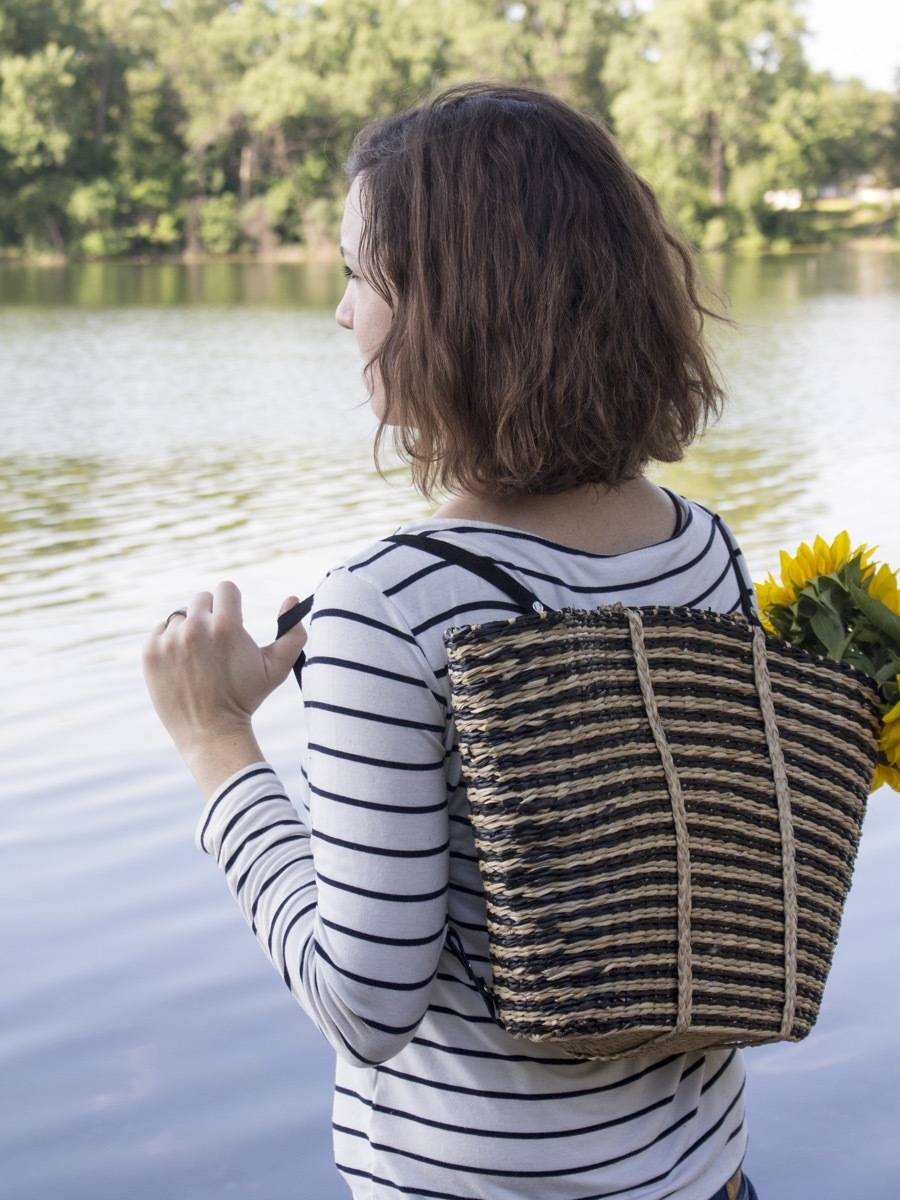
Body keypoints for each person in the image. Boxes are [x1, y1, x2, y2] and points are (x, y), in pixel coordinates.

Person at [153, 82, 764, 1199]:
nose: (342, 314)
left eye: (358, 274)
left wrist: (216, 742)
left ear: (455, 304)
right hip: (706, 1175)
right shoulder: (702, 549)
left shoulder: (390, 604)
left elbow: (364, 1006)